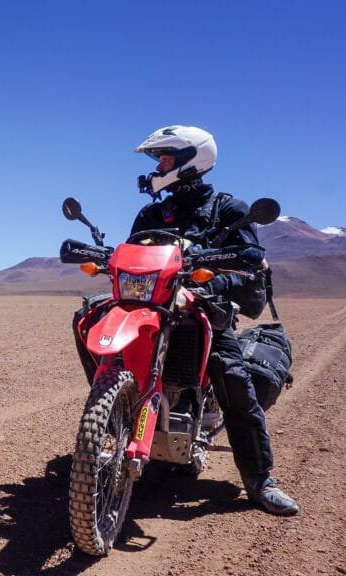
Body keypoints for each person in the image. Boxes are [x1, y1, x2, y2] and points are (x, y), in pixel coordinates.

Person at [130, 125, 299, 515]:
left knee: (233, 380)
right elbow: (133, 254)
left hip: (204, 311)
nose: (158, 167)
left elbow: (249, 264)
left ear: (192, 161)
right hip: (151, 308)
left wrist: (214, 281)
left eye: (165, 159)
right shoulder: (152, 214)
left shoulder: (229, 209)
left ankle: (260, 481)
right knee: (93, 321)